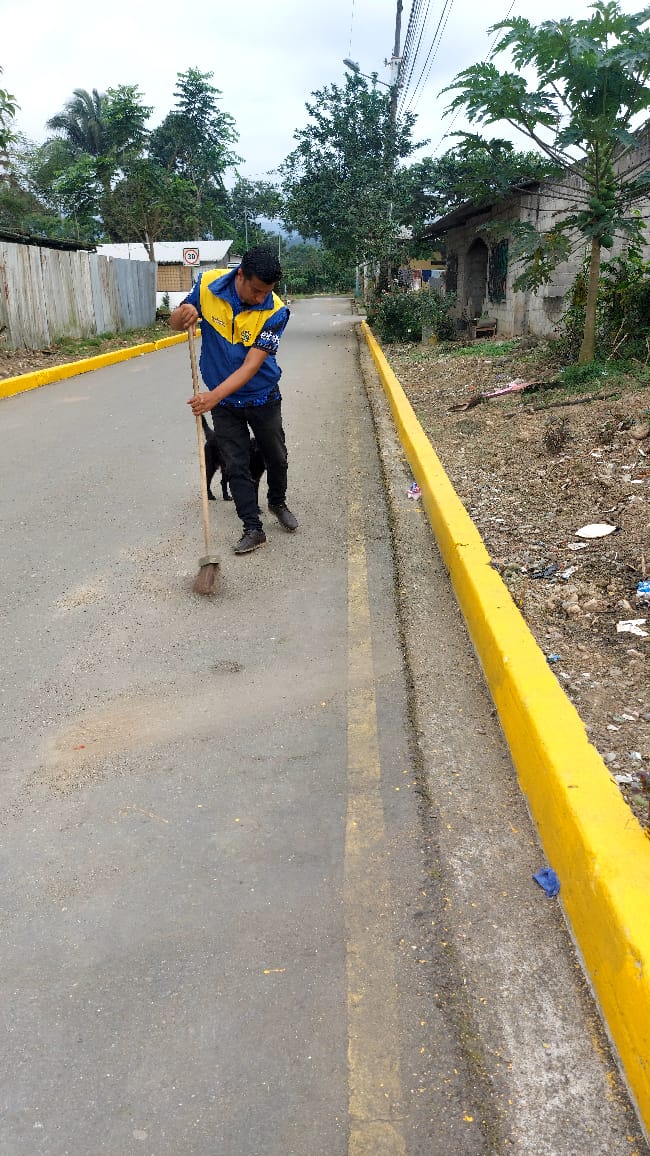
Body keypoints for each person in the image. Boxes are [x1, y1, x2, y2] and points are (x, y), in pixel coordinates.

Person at [170, 245, 298, 554]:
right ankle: (252, 528)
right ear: (240, 275)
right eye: (256, 290)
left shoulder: (276, 311)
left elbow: (251, 366)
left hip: (262, 396)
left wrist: (212, 397)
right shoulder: (207, 285)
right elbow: (176, 323)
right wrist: (182, 315)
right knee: (235, 464)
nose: (260, 297)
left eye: (266, 292)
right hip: (225, 404)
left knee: (276, 457)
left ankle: (277, 502)